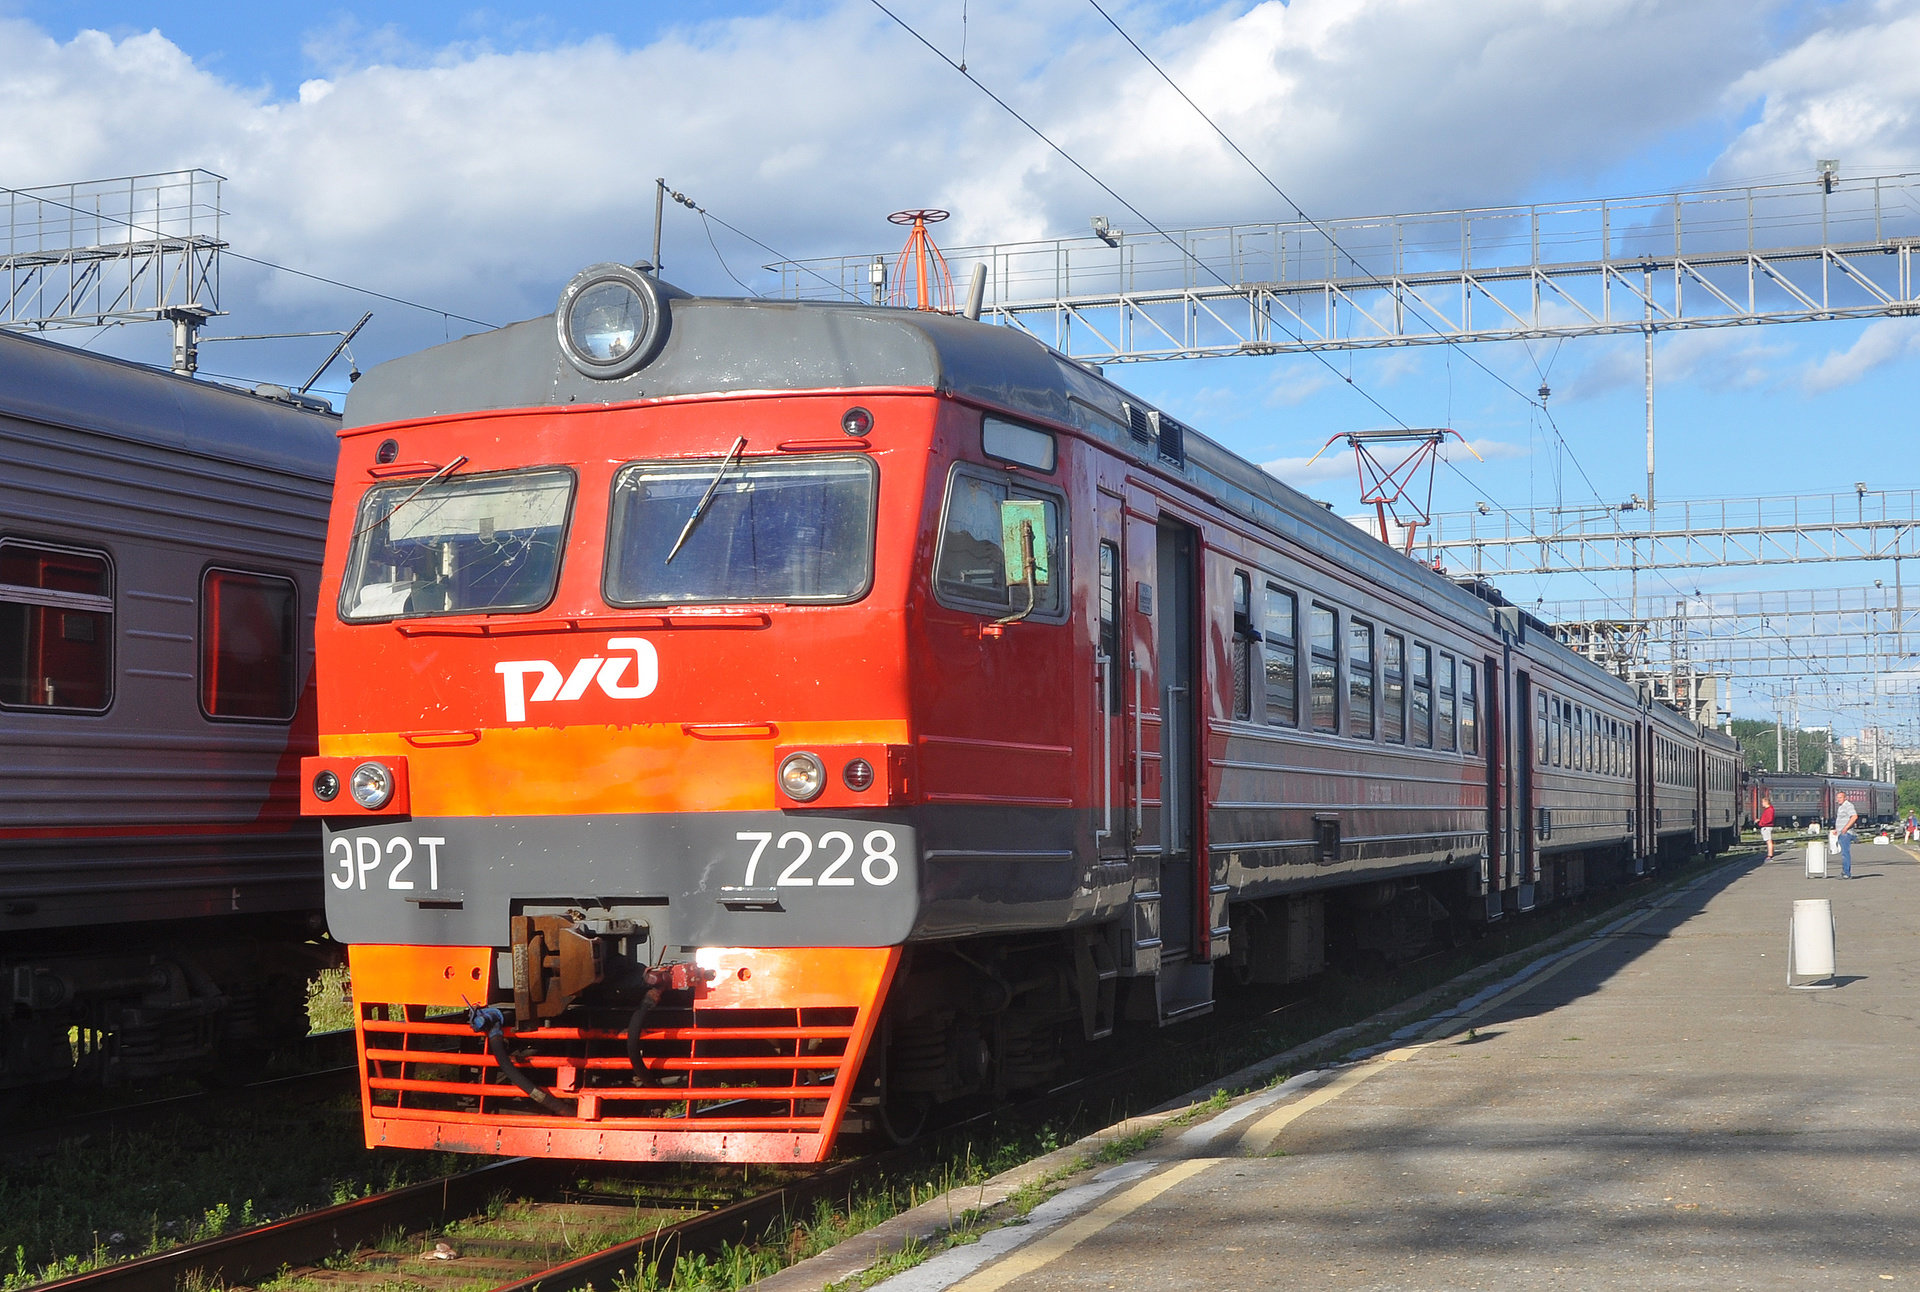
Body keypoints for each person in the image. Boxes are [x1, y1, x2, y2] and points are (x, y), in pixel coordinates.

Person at [1834, 791, 1859, 879]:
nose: (1838, 799)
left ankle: (1847, 873)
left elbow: (1854, 816)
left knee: (1845, 853)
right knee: (1843, 853)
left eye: (1840, 797)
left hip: (1846, 834)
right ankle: (1844, 871)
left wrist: (1845, 828)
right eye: (1837, 798)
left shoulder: (1848, 805)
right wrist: (1837, 830)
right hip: (1841, 833)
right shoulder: (1841, 807)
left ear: (1845, 798)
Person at [1758, 795, 1776, 859]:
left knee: (1769, 841)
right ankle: (1769, 854)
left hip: (1766, 827)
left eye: (1762, 802)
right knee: (1768, 840)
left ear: (1766, 802)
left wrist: (1761, 823)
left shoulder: (1769, 810)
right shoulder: (1768, 810)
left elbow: (1769, 819)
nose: (1762, 804)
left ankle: (1770, 855)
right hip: (1765, 826)